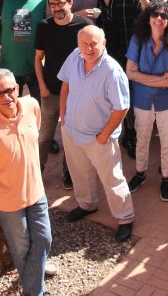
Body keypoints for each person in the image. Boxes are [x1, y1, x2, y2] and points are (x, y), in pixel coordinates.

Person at [0, 70, 52, 296]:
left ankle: (33, 288)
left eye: (10, 90)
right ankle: (36, 293)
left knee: (44, 240)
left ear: (17, 88)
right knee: (22, 250)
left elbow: (36, 132)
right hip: (8, 201)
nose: (6, 97)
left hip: (36, 191)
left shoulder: (32, 105)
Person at [59, 26, 135, 242]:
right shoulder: (75, 56)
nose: (89, 48)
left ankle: (125, 218)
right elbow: (65, 84)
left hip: (98, 137)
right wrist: (63, 117)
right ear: (78, 45)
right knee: (79, 172)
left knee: (112, 179)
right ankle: (87, 204)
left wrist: (104, 136)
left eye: (94, 43)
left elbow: (122, 108)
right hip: (72, 131)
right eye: (84, 44)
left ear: (104, 44)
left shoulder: (112, 71)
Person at [125, 1, 168, 201]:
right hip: (142, 101)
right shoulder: (137, 40)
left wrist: (143, 77)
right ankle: (140, 173)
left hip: (167, 102)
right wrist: (162, 80)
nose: (159, 18)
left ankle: (165, 178)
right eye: (155, 14)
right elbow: (129, 73)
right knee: (142, 139)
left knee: (167, 141)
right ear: (148, 17)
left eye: (164, 16)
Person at [34, 0, 89, 184]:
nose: (57, 8)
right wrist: (42, 87)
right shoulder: (44, 27)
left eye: (61, 3)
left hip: (75, 96)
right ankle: (36, 175)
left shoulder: (84, 26)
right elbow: (38, 58)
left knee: (71, 139)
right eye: (53, 4)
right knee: (44, 137)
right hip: (50, 94)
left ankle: (69, 174)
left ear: (71, 3)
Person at [1, 0, 47, 99]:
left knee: (39, 109)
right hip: (8, 69)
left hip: (36, 69)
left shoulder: (43, 2)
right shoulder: (2, 1)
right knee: (12, 111)